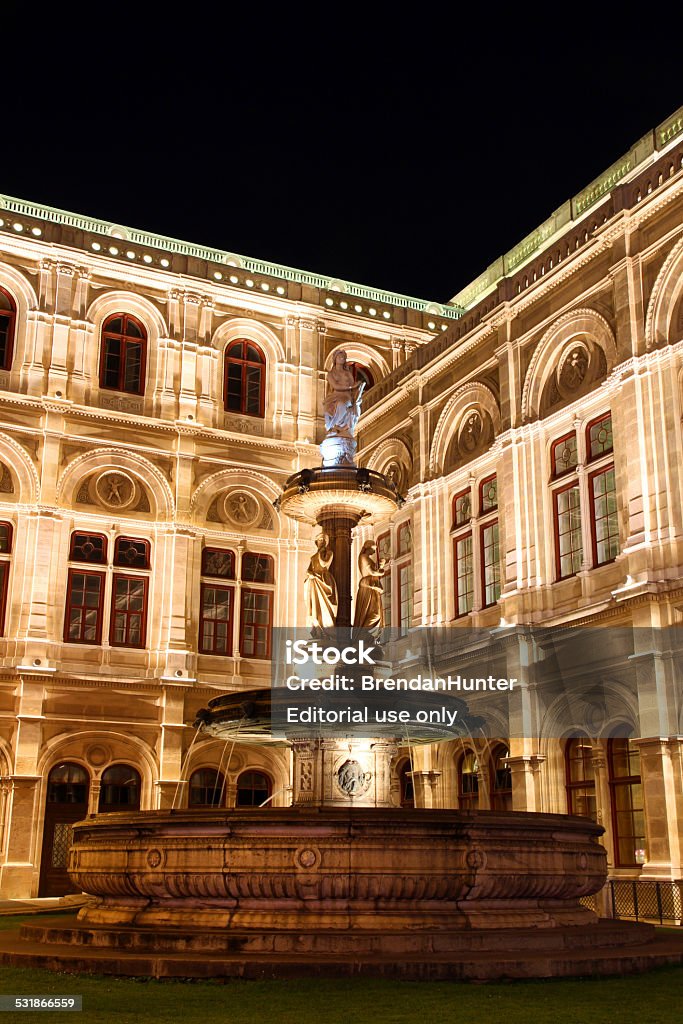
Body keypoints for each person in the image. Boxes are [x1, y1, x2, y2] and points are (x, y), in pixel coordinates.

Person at [323, 350, 364, 437]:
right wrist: (350, 387)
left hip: (346, 396)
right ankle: (333, 426)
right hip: (335, 396)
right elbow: (335, 386)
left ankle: (337, 426)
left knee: (344, 404)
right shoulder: (331, 374)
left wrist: (358, 387)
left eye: (343, 357)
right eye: (339, 357)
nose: (341, 358)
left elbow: (353, 386)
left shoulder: (348, 373)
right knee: (335, 407)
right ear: (335, 359)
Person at [304, 535, 338, 632]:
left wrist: (320, 553)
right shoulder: (313, 557)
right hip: (315, 581)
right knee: (315, 607)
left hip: (324, 580)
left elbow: (324, 563)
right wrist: (309, 573)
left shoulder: (329, 553)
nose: (321, 542)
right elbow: (309, 569)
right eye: (319, 540)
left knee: (326, 606)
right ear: (316, 542)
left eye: (323, 540)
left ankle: (327, 628)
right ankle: (317, 627)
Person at [353, 540, 386, 634]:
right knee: (374, 614)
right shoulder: (363, 557)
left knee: (376, 613)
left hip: (372, 585)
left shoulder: (367, 558)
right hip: (368, 585)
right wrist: (381, 571)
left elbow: (374, 570)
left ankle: (367, 636)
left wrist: (381, 565)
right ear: (368, 547)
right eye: (374, 549)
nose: (374, 552)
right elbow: (372, 572)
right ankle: (363, 635)